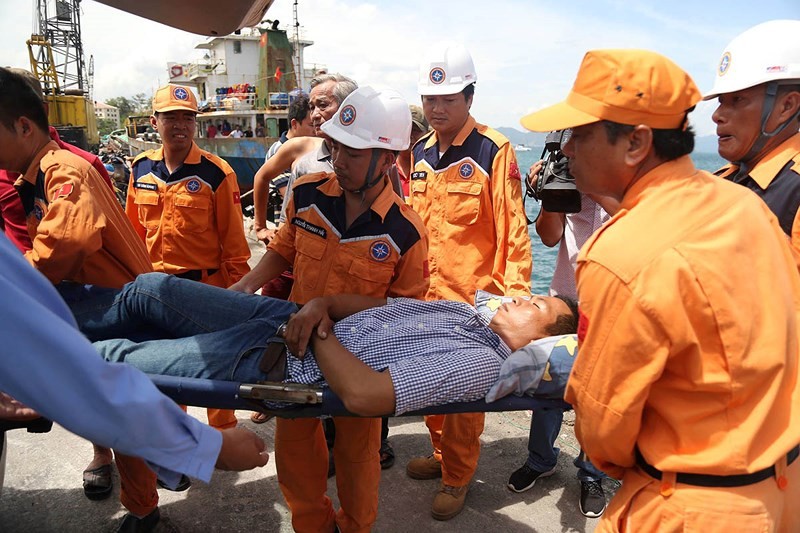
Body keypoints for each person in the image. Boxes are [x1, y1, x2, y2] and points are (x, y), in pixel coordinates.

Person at [521, 48, 800, 530]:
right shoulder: (741, 203)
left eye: (579, 135)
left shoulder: (620, 253)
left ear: (636, 143)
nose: (564, 150)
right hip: (778, 486)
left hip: (690, 506)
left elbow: (605, 429)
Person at [232, 85, 429, 533]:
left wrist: (330, 304)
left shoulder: (405, 230)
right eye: (335, 147)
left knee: (358, 459)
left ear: (386, 158)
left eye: (352, 153)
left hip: (360, 359)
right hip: (298, 347)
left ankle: (355, 527)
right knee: (296, 456)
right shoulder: (306, 193)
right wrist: (246, 284)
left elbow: (405, 309)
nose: (338, 160)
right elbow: (283, 250)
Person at [0, 67, 166, 532]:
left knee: (124, 415)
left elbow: (65, 246)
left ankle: (143, 506)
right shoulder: (35, 176)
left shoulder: (64, 172)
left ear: (23, 127)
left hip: (119, 313)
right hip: (93, 312)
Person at [69, 272, 577, 417]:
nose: (516, 299)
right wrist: (325, 304)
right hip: (289, 320)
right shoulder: (466, 315)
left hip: (284, 359)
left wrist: (320, 329)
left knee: (119, 361)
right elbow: (383, 308)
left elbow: (366, 396)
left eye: (534, 305)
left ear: (540, 342)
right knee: (149, 290)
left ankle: (27, 360)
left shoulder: (479, 364)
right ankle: (38, 316)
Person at [0, 235, 269, 507]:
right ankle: (143, 503)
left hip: (182, 290)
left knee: (146, 303)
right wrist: (205, 448)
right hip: (109, 303)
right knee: (122, 359)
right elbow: (76, 375)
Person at [405, 42, 533, 520]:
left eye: (449, 99)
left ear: (470, 99)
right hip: (423, 297)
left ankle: (458, 476)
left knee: (461, 395)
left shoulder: (492, 150)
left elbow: (514, 232)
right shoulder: (417, 153)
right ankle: (440, 455)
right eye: (430, 100)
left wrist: (511, 305)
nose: (437, 109)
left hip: (469, 303)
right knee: (428, 386)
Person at [126, 84, 251, 458]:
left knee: (216, 369)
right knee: (164, 372)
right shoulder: (140, 168)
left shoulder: (216, 173)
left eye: (187, 117)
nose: (179, 125)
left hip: (206, 289)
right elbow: (132, 234)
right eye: (171, 117)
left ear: (195, 123)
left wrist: (237, 299)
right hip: (155, 292)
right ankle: (176, 445)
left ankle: (224, 439)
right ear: (155, 122)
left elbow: (234, 244)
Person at [507, 174, 612, 516]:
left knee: (597, 400)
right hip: (564, 301)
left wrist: (599, 184)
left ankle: (592, 474)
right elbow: (549, 237)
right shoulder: (568, 173)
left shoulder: (633, 181)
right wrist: (553, 187)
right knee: (547, 391)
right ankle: (540, 460)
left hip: (612, 305)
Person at [705, 20, 800, 255]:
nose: (717, 116)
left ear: (786, 107)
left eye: (737, 100)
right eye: (721, 102)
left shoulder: (794, 192)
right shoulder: (719, 181)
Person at [0, 68, 114, 254]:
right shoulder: (5, 166)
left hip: (70, 279)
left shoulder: (81, 166)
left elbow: (98, 237)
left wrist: (31, 271)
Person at [251, 74, 357, 244]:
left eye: (322, 105)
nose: (315, 115)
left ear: (349, 108)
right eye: (312, 107)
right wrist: (260, 227)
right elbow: (262, 177)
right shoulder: (301, 152)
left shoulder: (378, 159)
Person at [252, 93, 314, 244]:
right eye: (311, 125)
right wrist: (260, 227)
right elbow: (289, 194)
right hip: (289, 231)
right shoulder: (280, 151)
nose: (316, 130)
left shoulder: (306, 149)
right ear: (294, 124)